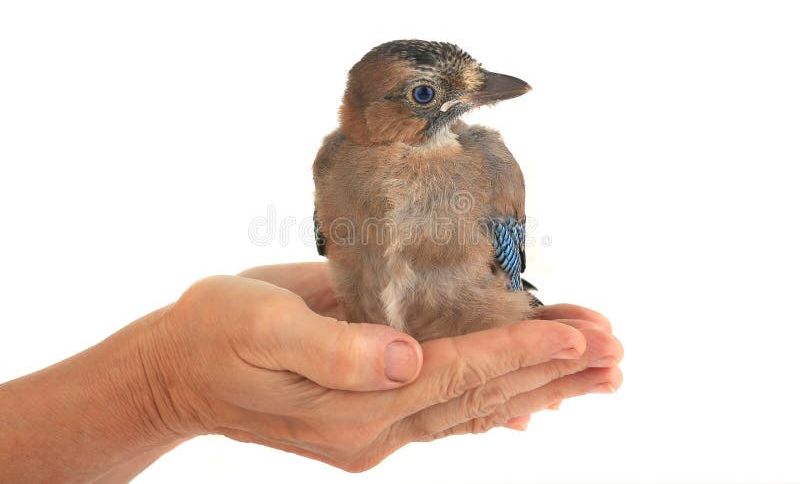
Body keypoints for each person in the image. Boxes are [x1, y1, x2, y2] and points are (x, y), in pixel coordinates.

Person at [0, 262, 623, 481]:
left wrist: (170, 388)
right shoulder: (339, 167)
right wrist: (167, 383)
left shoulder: (482, 165)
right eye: (424, 96)